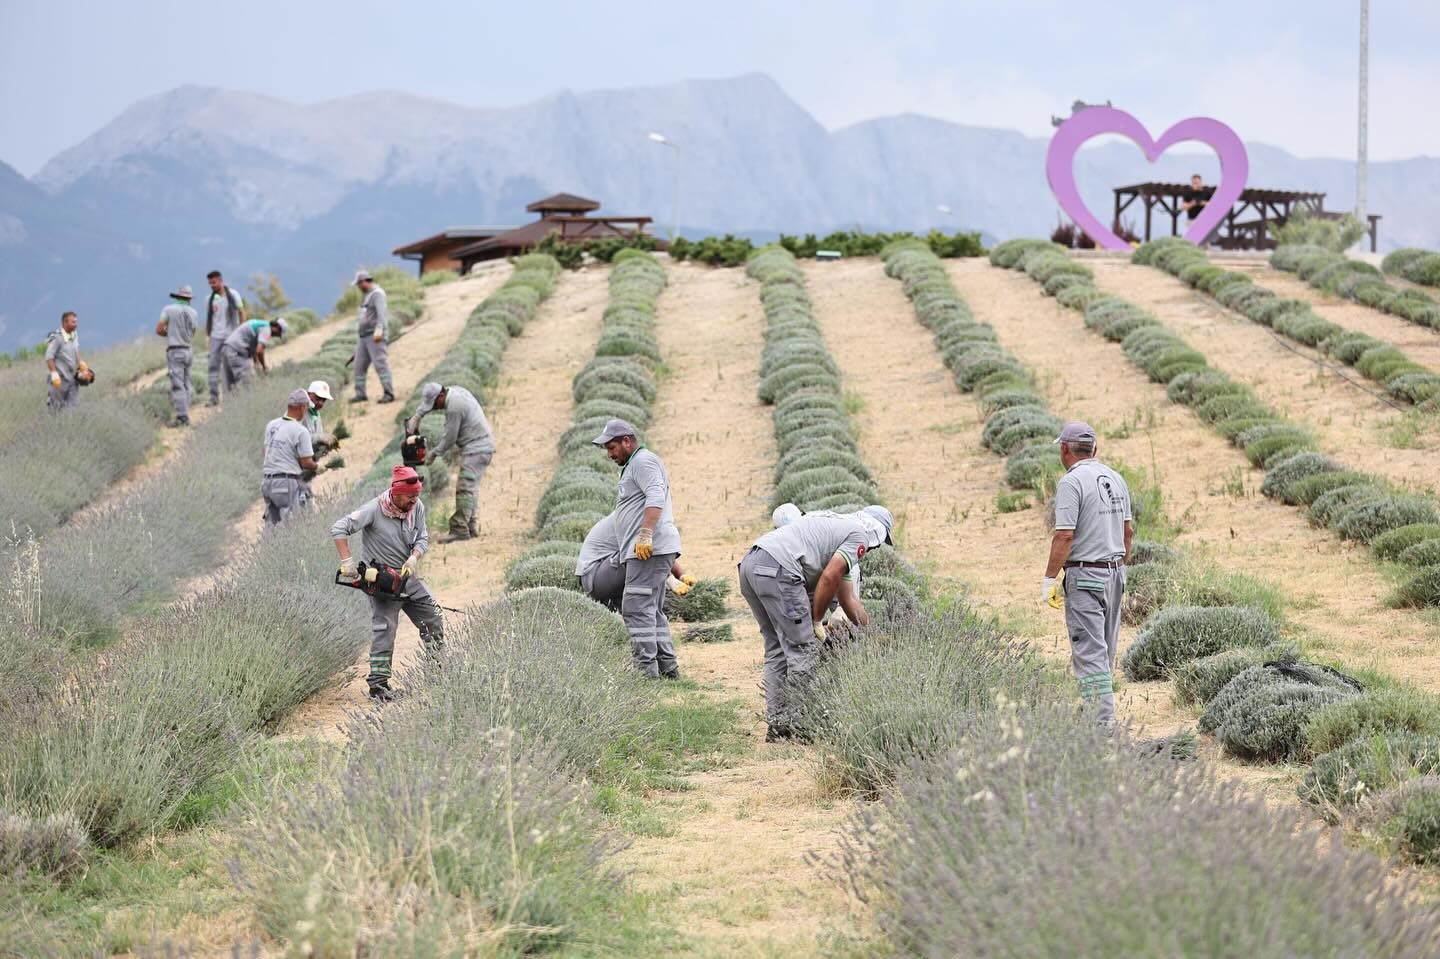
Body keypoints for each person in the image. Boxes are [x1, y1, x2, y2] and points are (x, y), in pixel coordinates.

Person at [739, 505, 891, 741]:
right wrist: (817, 619)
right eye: (878, 545)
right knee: (804, 649)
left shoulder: (835, 530)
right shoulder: (858, 535)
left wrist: (872, 634)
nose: (872, 551)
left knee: (776, 649)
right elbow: (829, 577)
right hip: (779, 568)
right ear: (876, 534)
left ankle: (779, 727)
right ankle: (800, 725)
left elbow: (848, 599)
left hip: (752, 563)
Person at [1042, 421, 1133, 725]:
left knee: (1090, 655)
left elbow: (1064, 536)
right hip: (1115, 573)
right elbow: (1127, 532)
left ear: (1064, 449)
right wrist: (1119, 570)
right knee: (1104, 651)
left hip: (1086, 577)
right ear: (1094, 448)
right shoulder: (1116, 477)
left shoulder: (1072, 482)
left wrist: (1049, 578)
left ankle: (1102, 727)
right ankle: (1097, 714)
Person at [332, 465, 444, 700]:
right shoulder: (373, 509)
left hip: (408, 577)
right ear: (396, 492)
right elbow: (339, 528)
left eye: (417, 495)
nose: (414, 500)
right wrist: (348, 561)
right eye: (410, 496)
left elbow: (422, 536)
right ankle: (378, 686)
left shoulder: (417, 507)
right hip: (383, 583)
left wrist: (414, 557)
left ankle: (439, 672)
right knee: (385, 630)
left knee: (432, 618)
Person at [593, 418, 682, 679]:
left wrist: (645, 534)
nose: (610, 455)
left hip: (648, 551)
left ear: (627, 441)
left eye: (612, 448)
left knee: (634, 607)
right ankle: (668, 668)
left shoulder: (643, 461)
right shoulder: (634, 465)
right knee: (650, 609)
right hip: (649, 550)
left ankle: (646, 671)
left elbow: (655, 497)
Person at [405, 382, 495, 542]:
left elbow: (450, 437)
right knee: (471, 488)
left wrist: (433, 454)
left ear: (440, 396)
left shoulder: (454, 407)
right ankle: (471, 526)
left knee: (465, 488)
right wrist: (418, 416)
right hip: (482, 447)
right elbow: (429, 406)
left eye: (434, 404)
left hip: (477, 449)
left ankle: (460, 528)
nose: (434, 408)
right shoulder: (455, 391)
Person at [576, 511, 697, 611]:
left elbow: (660, 550)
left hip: (610, 571)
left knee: (645, 550)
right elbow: (640, 551)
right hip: (594, 577)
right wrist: (671, 580)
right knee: (640, 551)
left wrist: (681, 574)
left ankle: (618, 607)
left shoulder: (645, 517)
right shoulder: (630, 516)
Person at [261, 389, 318, 526]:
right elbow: (306, 463)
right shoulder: (300, 430)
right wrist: (317, 466)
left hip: (267, 483)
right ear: (303, 407)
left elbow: (265, 452)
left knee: (271, 524)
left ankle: (268, 547)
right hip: (286, 484)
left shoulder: (272, 425)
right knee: (292, 524)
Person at [155, 285, 199, 425]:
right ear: (189, 299)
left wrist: (170, 333)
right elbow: (193, 332)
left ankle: (182, 417)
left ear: (177, 297)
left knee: (177, 385)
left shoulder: (168, 310)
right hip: (188, 350)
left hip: (175, 351)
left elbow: (159, 329)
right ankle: (186, 411)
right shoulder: (194, 313)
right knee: (187, 383)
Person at [352, 270, 395, 404]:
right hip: (363, 336)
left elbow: (382, 315)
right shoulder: (368, 295)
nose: (358, 287)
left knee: (380, 364)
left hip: (374, 336)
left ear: (364, 282)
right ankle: (360, 394)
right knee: (359, 366)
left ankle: (389, 393)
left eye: (359, 284)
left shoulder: (378, 294)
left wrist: (380, 331)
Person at [203, 270, 246, 405]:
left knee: (230, 366)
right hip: (215, 336)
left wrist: (241, 330)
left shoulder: (233, 295)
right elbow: (209, 318)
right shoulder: (209, 299)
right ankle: (213, 397)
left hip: (231, 335)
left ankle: (233, 395)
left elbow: (241, 311)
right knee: (213, 366)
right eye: (210, 283)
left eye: (214, 282)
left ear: (221, 281)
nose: (212, 285)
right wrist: (208, 335)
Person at [220, 316, 287, 391]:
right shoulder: (267, 329)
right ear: (277, 327)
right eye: (278, 334)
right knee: (246, 382)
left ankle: (229, 402)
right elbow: (259, 350)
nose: (275, 336)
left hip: (226, 348)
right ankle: (243, 401)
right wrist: (264, 366)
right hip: (237, 351)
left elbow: (253, 347)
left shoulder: (260, 324)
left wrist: (256, 362)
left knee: (229, 384)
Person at [44, 311, 87, 412]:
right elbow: (49, 357)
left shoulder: (74, 335)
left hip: (73, 379)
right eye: (73, 322)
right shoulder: (57, 338)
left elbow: (76, 350)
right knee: (55, 411)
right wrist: (54, 373)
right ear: (65, 322)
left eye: (76, 322)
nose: (76, 324)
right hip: (59, 381)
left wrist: (80, 363)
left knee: (71, 410)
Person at [305, 379, 338, 457]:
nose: (321, 403)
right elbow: (298, 439)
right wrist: (320, 437)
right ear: (308, 394)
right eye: (318, 398)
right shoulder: (300, 412)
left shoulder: (316, 413)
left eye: (324, 400)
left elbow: (318, 436)